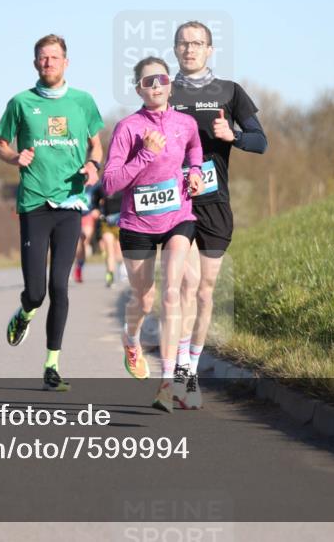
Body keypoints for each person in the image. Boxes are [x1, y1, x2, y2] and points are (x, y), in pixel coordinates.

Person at [0, 34, 104, 391]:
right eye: (42, 58)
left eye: (54, 57)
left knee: (60, 286)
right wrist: (14, 157)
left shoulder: (83, 102)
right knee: (37, 292)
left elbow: (96, 146)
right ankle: (24, 312)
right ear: (35, 63)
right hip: (34, 204)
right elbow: (0, 145)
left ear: (66, 62)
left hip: (70, 204)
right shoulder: (20, 103)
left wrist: (93, 167)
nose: (48, 63)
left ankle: (51, 364)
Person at [171, 21, 268, 409]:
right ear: (175, 49)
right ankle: (180, 371)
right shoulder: (164, 91)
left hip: (215, 202)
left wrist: (234, 137)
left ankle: (192, 367)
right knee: (185, 285)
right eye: (183, 43)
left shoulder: (230, 91)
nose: (190, 49)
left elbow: (261, 141)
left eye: (198, 43)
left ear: (210, 50)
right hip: (175, 203)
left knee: (206, 290)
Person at [102, 57, 204, 413]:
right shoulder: (127, 128)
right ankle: (131, 339)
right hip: (137, 224)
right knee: (143, 300)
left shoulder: (186, 123)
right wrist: (146, 153)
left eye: (161, 79)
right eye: (148, 82)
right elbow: (111, 182)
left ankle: (168, 382)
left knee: (173, 290)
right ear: (139, 90)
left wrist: (194, 173)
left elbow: (194, 150)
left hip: (179, 217)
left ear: (170, 84)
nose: (156, 86)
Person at [89, 184, 124, 287]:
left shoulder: (123, 184)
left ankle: (122, 267)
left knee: (119, 251)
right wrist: (95, 209)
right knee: (109, 250)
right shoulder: (102, 187)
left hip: (120, 222)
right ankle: (110, 276)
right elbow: (94, 200)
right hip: (106, 222)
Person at [73, 186, 97, 283]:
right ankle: (75, 266)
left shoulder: (93, 187)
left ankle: (79, 267)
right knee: (77, 244)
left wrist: (98, 209)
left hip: (87, 216)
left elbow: (99, 198)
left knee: (85, 242)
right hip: (74, 216)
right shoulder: (72, 184)